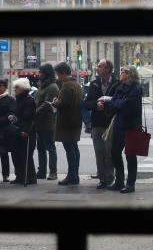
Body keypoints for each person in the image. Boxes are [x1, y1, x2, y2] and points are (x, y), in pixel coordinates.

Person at [99, 65, 143, 193]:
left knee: (130, 156)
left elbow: (126, 106)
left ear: (129, 74)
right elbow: (115, 104)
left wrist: (115, 102)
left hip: (132, 126)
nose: (121, 73)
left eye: (123, 72)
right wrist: (116, 103)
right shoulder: (121, 87)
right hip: (119, 125)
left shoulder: (136, 88)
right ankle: (119, 181)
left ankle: (130, 184)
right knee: (114, 153)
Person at [83, 59, 120, 189]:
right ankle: (102, 179)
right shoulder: (93, 84)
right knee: (99, 152)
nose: (97, 68)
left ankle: (110, 178)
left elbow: (120, 102)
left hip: (111, 123)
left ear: (108, 69)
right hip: (97, 123)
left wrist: (108, 103)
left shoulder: (117, 83)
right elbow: (86, 103)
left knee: (109, 152)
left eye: (100, 66)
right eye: (97, 66)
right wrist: (96, 105)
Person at [52, 62, 83, 185]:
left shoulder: (66, 85)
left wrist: (55, 102)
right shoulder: (76, 84)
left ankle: (72, 176)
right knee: (74, 148)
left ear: (63, 73)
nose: (58, 77)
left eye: (58, 74)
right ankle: (75, 175)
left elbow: (63, 104)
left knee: (69, 149)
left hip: (66, 122)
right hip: (75, 120)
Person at [33, 63, 59, 181]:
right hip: (39, 122)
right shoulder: (42, 86)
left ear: (46, 73)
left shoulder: (52, 87)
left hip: (48, 122)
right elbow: (37, 101)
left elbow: (47, 104)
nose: (39, 74)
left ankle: (53, 172)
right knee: (41, 148)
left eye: (41, 72)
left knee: (50, 147)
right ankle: (42, 171)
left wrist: (34, 113)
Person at [9, 78, 37, 185]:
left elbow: (30, 117)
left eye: (17, 87)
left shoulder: (28, 99)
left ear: (23, 88)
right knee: (18, 155)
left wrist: (26, 131)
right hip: (18, 130)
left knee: (26, 156)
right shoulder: (19, 99)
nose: (15, 89)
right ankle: (20, 176)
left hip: (26, 131)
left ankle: (30, 178)